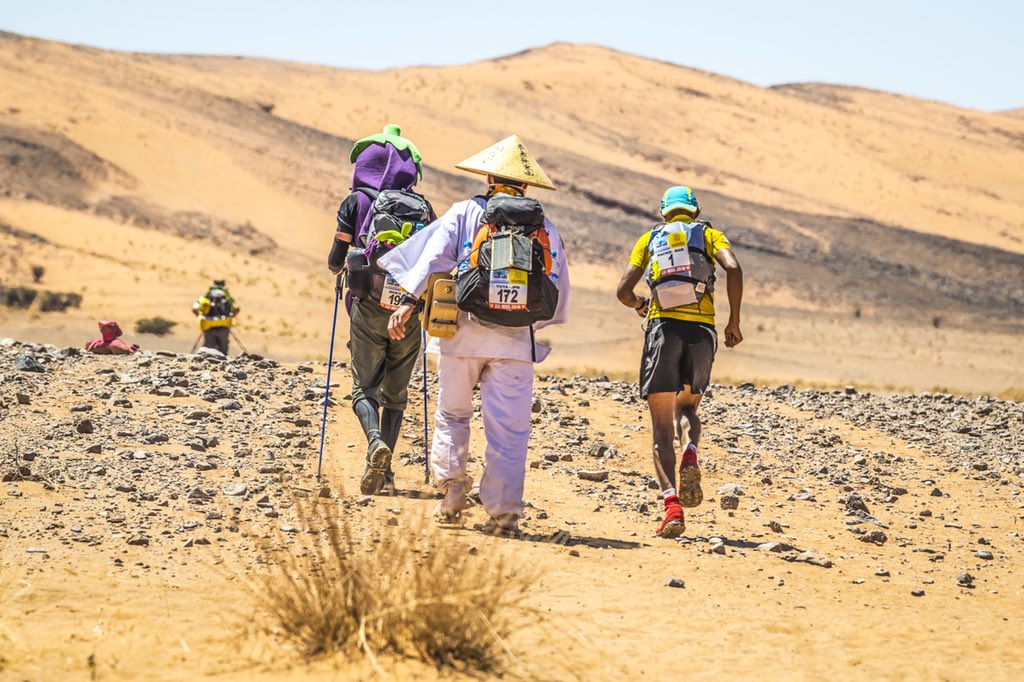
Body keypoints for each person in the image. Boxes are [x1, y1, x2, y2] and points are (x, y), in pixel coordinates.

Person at [379, 135, 570, 534]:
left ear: (487, 176)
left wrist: (408, 302)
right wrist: (530, 326)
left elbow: (432, 257)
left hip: (460, 334)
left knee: (453, 414)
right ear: (526, 185)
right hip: (515, 342)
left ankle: (452, 492)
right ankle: (504, 513)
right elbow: (556, 287)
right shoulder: (544, 226)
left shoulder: (466, 212)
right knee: (511, 430)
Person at [615, 185, 743, 538]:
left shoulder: (649, 239)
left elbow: (623, 292)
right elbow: (734, 268)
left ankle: (672, 508)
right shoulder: (710, 235)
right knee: (687, 410)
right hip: (701, 334)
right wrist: (733, 322)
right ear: (695, 212)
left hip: (663, 330)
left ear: (663, 213)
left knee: (660, 428)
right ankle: (690, 452)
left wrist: (642, 306)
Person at [326, 124, 435, 496]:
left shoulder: (355, 203)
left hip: (368, 307)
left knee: (363, 389)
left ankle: (375, 443)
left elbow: (334, 261)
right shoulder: (422, 207)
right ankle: (386, 476)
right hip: (409, 309)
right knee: (396, 395)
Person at [191, 280, 238, 356]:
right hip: (224, 327)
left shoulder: (207, 296)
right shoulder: (226, 296)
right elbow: (236, 308)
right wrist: (229, 317)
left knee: (208, 349)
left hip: (208, 326)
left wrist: (201, 317)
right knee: (223, 350)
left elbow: (194, 308)